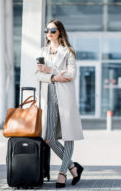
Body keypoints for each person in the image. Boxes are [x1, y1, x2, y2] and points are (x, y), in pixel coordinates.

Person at [35, 18, 84, 188]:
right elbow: (38, 75)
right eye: (47, 31)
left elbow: (71, 75)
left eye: (52, 30)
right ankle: (72, 166)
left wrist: (50, 70)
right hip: (48, 97)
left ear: (59, 32)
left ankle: (62, 172)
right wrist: (54, 76)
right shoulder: (43, 51)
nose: (49, 33)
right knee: (49, 138)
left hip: (65, 98)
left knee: (68, 136)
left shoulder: (68, 52)